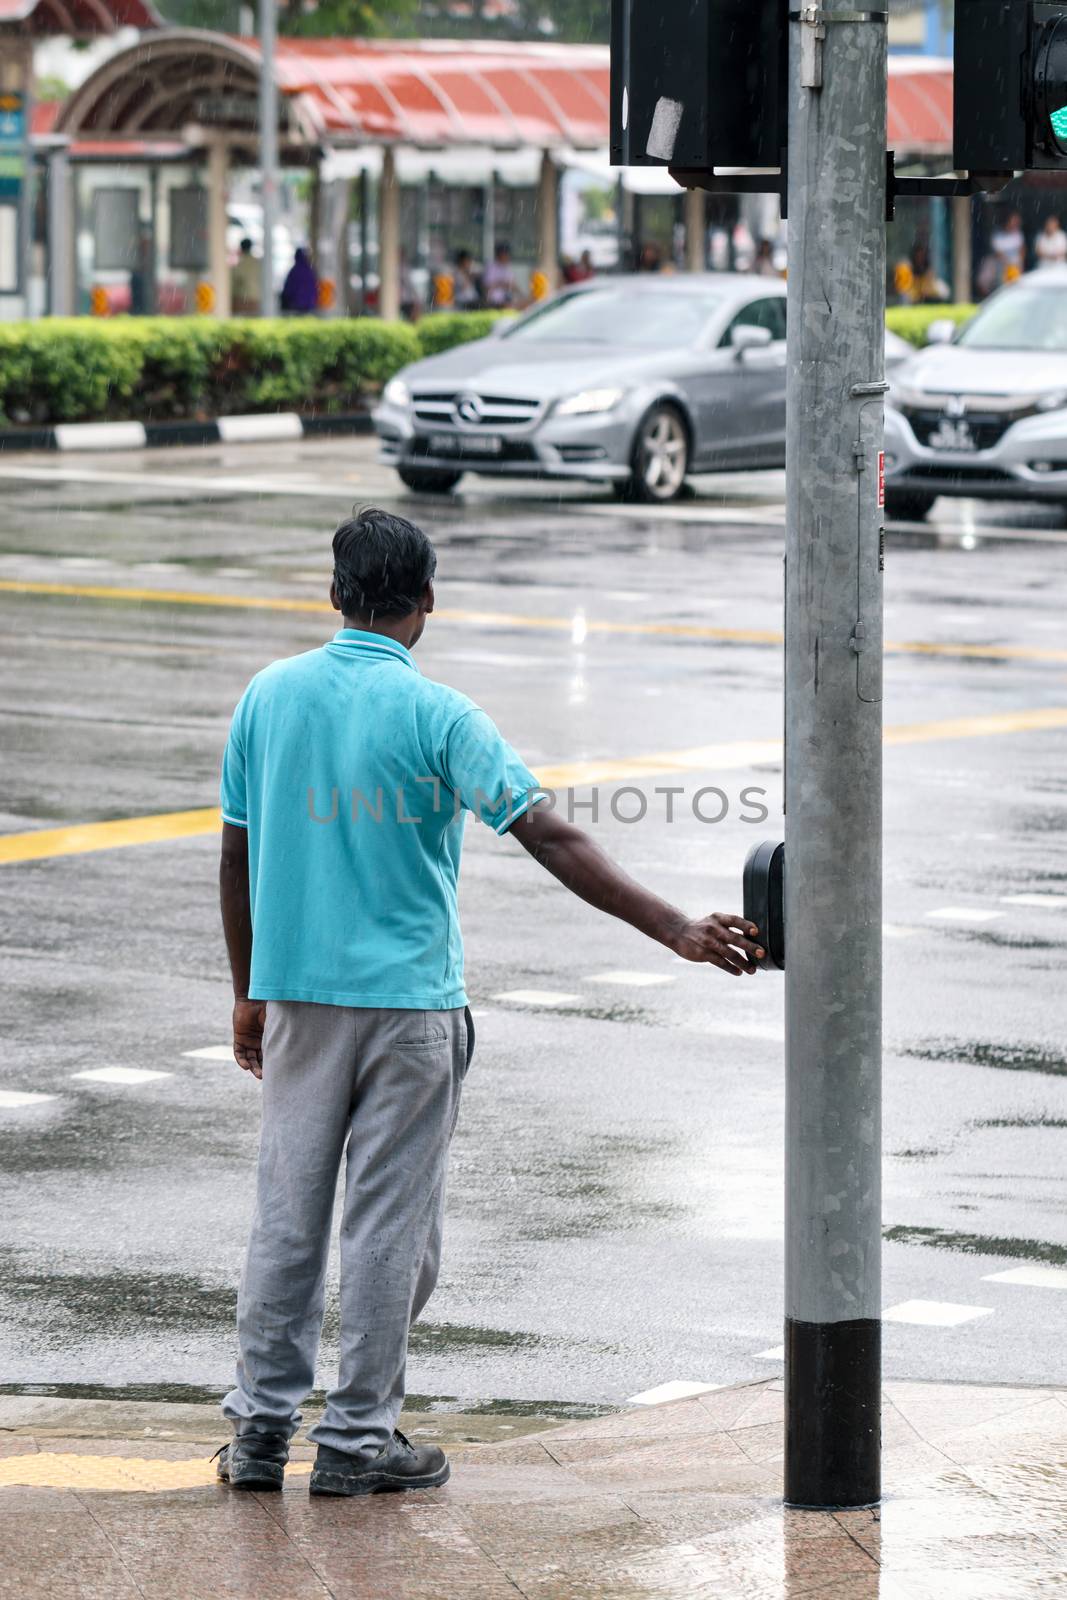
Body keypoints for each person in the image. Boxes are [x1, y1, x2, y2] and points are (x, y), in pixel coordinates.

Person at [214, 508, 764, 1499]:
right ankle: (353, 1441)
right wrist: (672, 927)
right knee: (387, 1226)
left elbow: (237, 852)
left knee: (285, 1216)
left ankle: (256, 1436)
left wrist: (247, 991)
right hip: (411, 1011)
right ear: (425, 602)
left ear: (335, 594)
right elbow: (550, 836)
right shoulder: (442, 717)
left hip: (295, 1002)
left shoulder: (268, 697)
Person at [280, 246, 319, 314]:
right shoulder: (310, 271)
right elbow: (315, 289)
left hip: (295, 306)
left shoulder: (293, 271)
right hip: (310, 306)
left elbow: (288, 290)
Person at [990, 211, 1025, 283]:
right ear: (1007, 222)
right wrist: (1008, 263)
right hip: (1002, 268)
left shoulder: (1018, 234)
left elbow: (1021, 250)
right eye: (1013, 221)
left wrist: (1020, 264)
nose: (1015, 224)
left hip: (1015, 267)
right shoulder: (998, 235)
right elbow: (997, 252)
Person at [481, 241, 518, 308]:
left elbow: (512, 285)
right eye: (505, 254)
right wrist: (501, 284)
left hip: (507, 299)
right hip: (494, 301)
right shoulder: (491, 267)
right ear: (500, 254)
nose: (507, 256)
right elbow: (486, 287)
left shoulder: (508, 268)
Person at [231, 237, 260, 316]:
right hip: (255, 300)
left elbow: (233, 283)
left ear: (241, 248)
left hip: (240, 300)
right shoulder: (258, 263)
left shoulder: (239, 264)